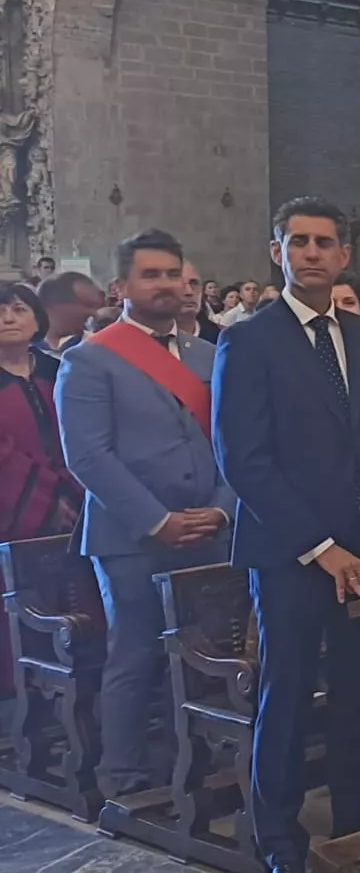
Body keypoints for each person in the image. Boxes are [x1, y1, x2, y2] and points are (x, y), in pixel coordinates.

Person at [212, 197, 360, 873]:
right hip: (291, 554)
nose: (310, 253)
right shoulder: (250, 342)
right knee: (290, 700)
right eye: (296, 241)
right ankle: (283, 856)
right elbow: (246, 461)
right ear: (277, 252)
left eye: (324, 243)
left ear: (343, 257)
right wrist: (321, 547)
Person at [54, 230, 232, 798]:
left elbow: (236, 443)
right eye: (150, 275)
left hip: (212, 527)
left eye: (173, 275)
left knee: (208, 651)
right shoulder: (88, 359)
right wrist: (158, 520)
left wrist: (222, 510)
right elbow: (87, 455)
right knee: (136, 651)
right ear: (121, 286)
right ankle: (124, 777)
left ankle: (199, 761)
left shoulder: (211, 354)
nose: (166, 285)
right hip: (132, 536)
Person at [0, 284, 79, 542]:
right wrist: (46, 501)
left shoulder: (62, 372)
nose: (8, 318)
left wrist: (71, 492)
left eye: (19, 309)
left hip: (78, 502)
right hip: (10, 514)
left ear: (37, 321)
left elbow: (85, 433)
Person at [36, 271, 105, 352]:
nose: (95, 313)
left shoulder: (98, 349)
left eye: (97, 306)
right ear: (52, 305)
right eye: (87, 305)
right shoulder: (24, 353)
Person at [178, 262, 219, 344]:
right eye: (179, 284)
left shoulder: (223, 337)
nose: (189, 291)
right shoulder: (149, 341)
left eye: (194, 283)